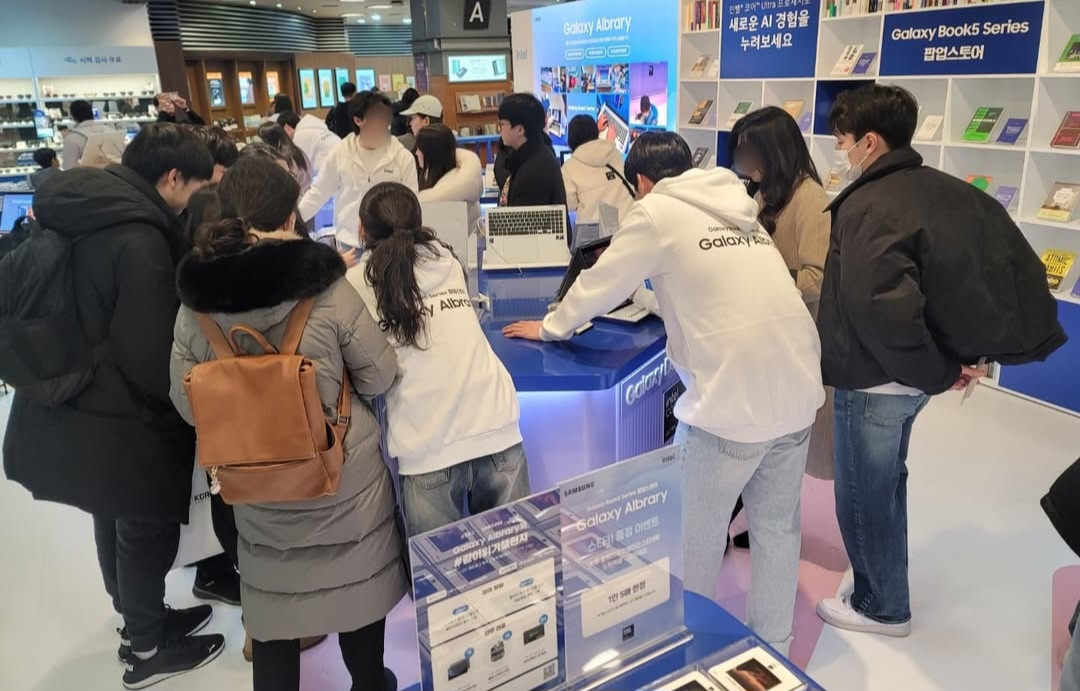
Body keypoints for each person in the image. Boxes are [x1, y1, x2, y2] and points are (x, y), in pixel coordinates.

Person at [502, 132, 825, 655]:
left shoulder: (655, 213)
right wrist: (651, 298)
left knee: (692, 541)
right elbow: (710, 289)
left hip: (728, 406)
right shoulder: (737, 209)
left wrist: (551, 327)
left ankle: (687, 651)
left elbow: (598, 284)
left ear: (642, 182)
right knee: (777, 532)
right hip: (797, 391)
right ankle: (774, 653)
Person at [815, 84, 1066, 637]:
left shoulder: (869, 205)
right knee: (887, 483)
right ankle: (884, 583)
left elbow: (881, 308)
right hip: (910, 379)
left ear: (869, 142)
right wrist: (948, 364)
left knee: (865, 493)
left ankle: (881, 606)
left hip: (878, 380)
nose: (838, 148)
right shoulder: (945, 191)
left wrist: (939, 370)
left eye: (843, 138)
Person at [170, 156, 405, 691]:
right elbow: (379, 375)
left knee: (273, 606)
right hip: (341, 475)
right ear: (290, 216)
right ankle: (370, 682)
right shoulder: (327, 288)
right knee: (357, 589)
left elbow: (187, 404)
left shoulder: (196, 304)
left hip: (254, 484)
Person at [2, 123, 223, 688]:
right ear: (172, 177)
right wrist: (188, 403)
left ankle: (139, 620)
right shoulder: (140, 237)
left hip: (81, 395)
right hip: (124, 410)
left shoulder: (91, 208)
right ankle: (147, 652)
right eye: (197, 187)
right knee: (144, 525)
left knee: (113, 514)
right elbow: (149, 351)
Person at [346, 182, 528, 536]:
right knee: (518, 560)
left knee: (439, 568)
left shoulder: (358, 281)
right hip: (496, 425)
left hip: (426, 444)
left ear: (361, 229)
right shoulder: (446, 259)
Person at [725, 106, 835, 549]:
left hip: (790, 341)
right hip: (762, 337)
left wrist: (766, 277)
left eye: (749, 151)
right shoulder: (765, 192)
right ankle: (754, 522)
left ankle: (762, 527)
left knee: (778, 449)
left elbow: (817, 277)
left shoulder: (810, 200)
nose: (744, 161)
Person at [298, 90, 418, 250]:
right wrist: (292, 222)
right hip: (350, 243)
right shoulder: (341, 153)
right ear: (358, 120)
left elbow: (413, 205)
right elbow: (318, 193)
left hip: (390, 245)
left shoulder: (402, 157)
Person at [560, 114, 636, 225]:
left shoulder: (568, 168)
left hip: (595, 232)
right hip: (627, 224)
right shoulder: (614, 153)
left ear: (570, 139)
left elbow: (570, 204)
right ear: (596, 133)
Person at [496, 93, 566, 210]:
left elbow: (523, 218)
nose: (499, 129)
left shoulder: (532, 170)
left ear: (520, 130)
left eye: (502, 124)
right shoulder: (538, 155)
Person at [415, 124, 483, 232]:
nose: (416, 153)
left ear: (430, 153)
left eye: (419, 149)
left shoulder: (445, 194)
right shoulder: (458, 181)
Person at [278, 110, 338, 178]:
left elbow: (301, 170)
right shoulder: (314, 125)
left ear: (287, 127)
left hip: (333, 172)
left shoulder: (299, 136)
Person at [257, 122, 313, 194]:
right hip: (308, 194)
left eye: (262, 141)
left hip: (297, 197)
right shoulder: (297, 150)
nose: (260, 144)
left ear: (270, 141)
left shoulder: (281, 159)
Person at [61, 100, 113, 170]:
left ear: (73, 116)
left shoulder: (71, 139)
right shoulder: (111, 131)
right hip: (113, 174)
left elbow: (69, 168)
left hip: (88, 176)